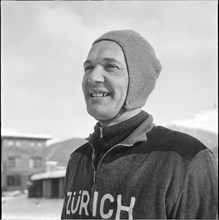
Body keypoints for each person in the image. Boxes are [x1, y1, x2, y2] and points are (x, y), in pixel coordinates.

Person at [61, 30, 218, 219]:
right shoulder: (78, 159)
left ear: (138, 81)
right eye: (88, 67)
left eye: (111, 67)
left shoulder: (186, 159)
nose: (93, 77)